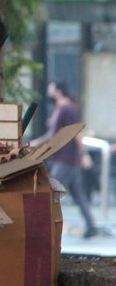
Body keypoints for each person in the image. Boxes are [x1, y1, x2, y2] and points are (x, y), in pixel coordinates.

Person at [34, 81, 98, 239]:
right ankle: (91, 226)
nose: (48, 91)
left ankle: (44, 227)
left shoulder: (67, 108)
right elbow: (53, 134)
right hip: (66, 158)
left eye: (51, 88)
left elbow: (77, 133)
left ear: (58, 91)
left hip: (66, 159)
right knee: (78, 194)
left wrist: (84, 155)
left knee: (51, 191)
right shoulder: (61, 109)